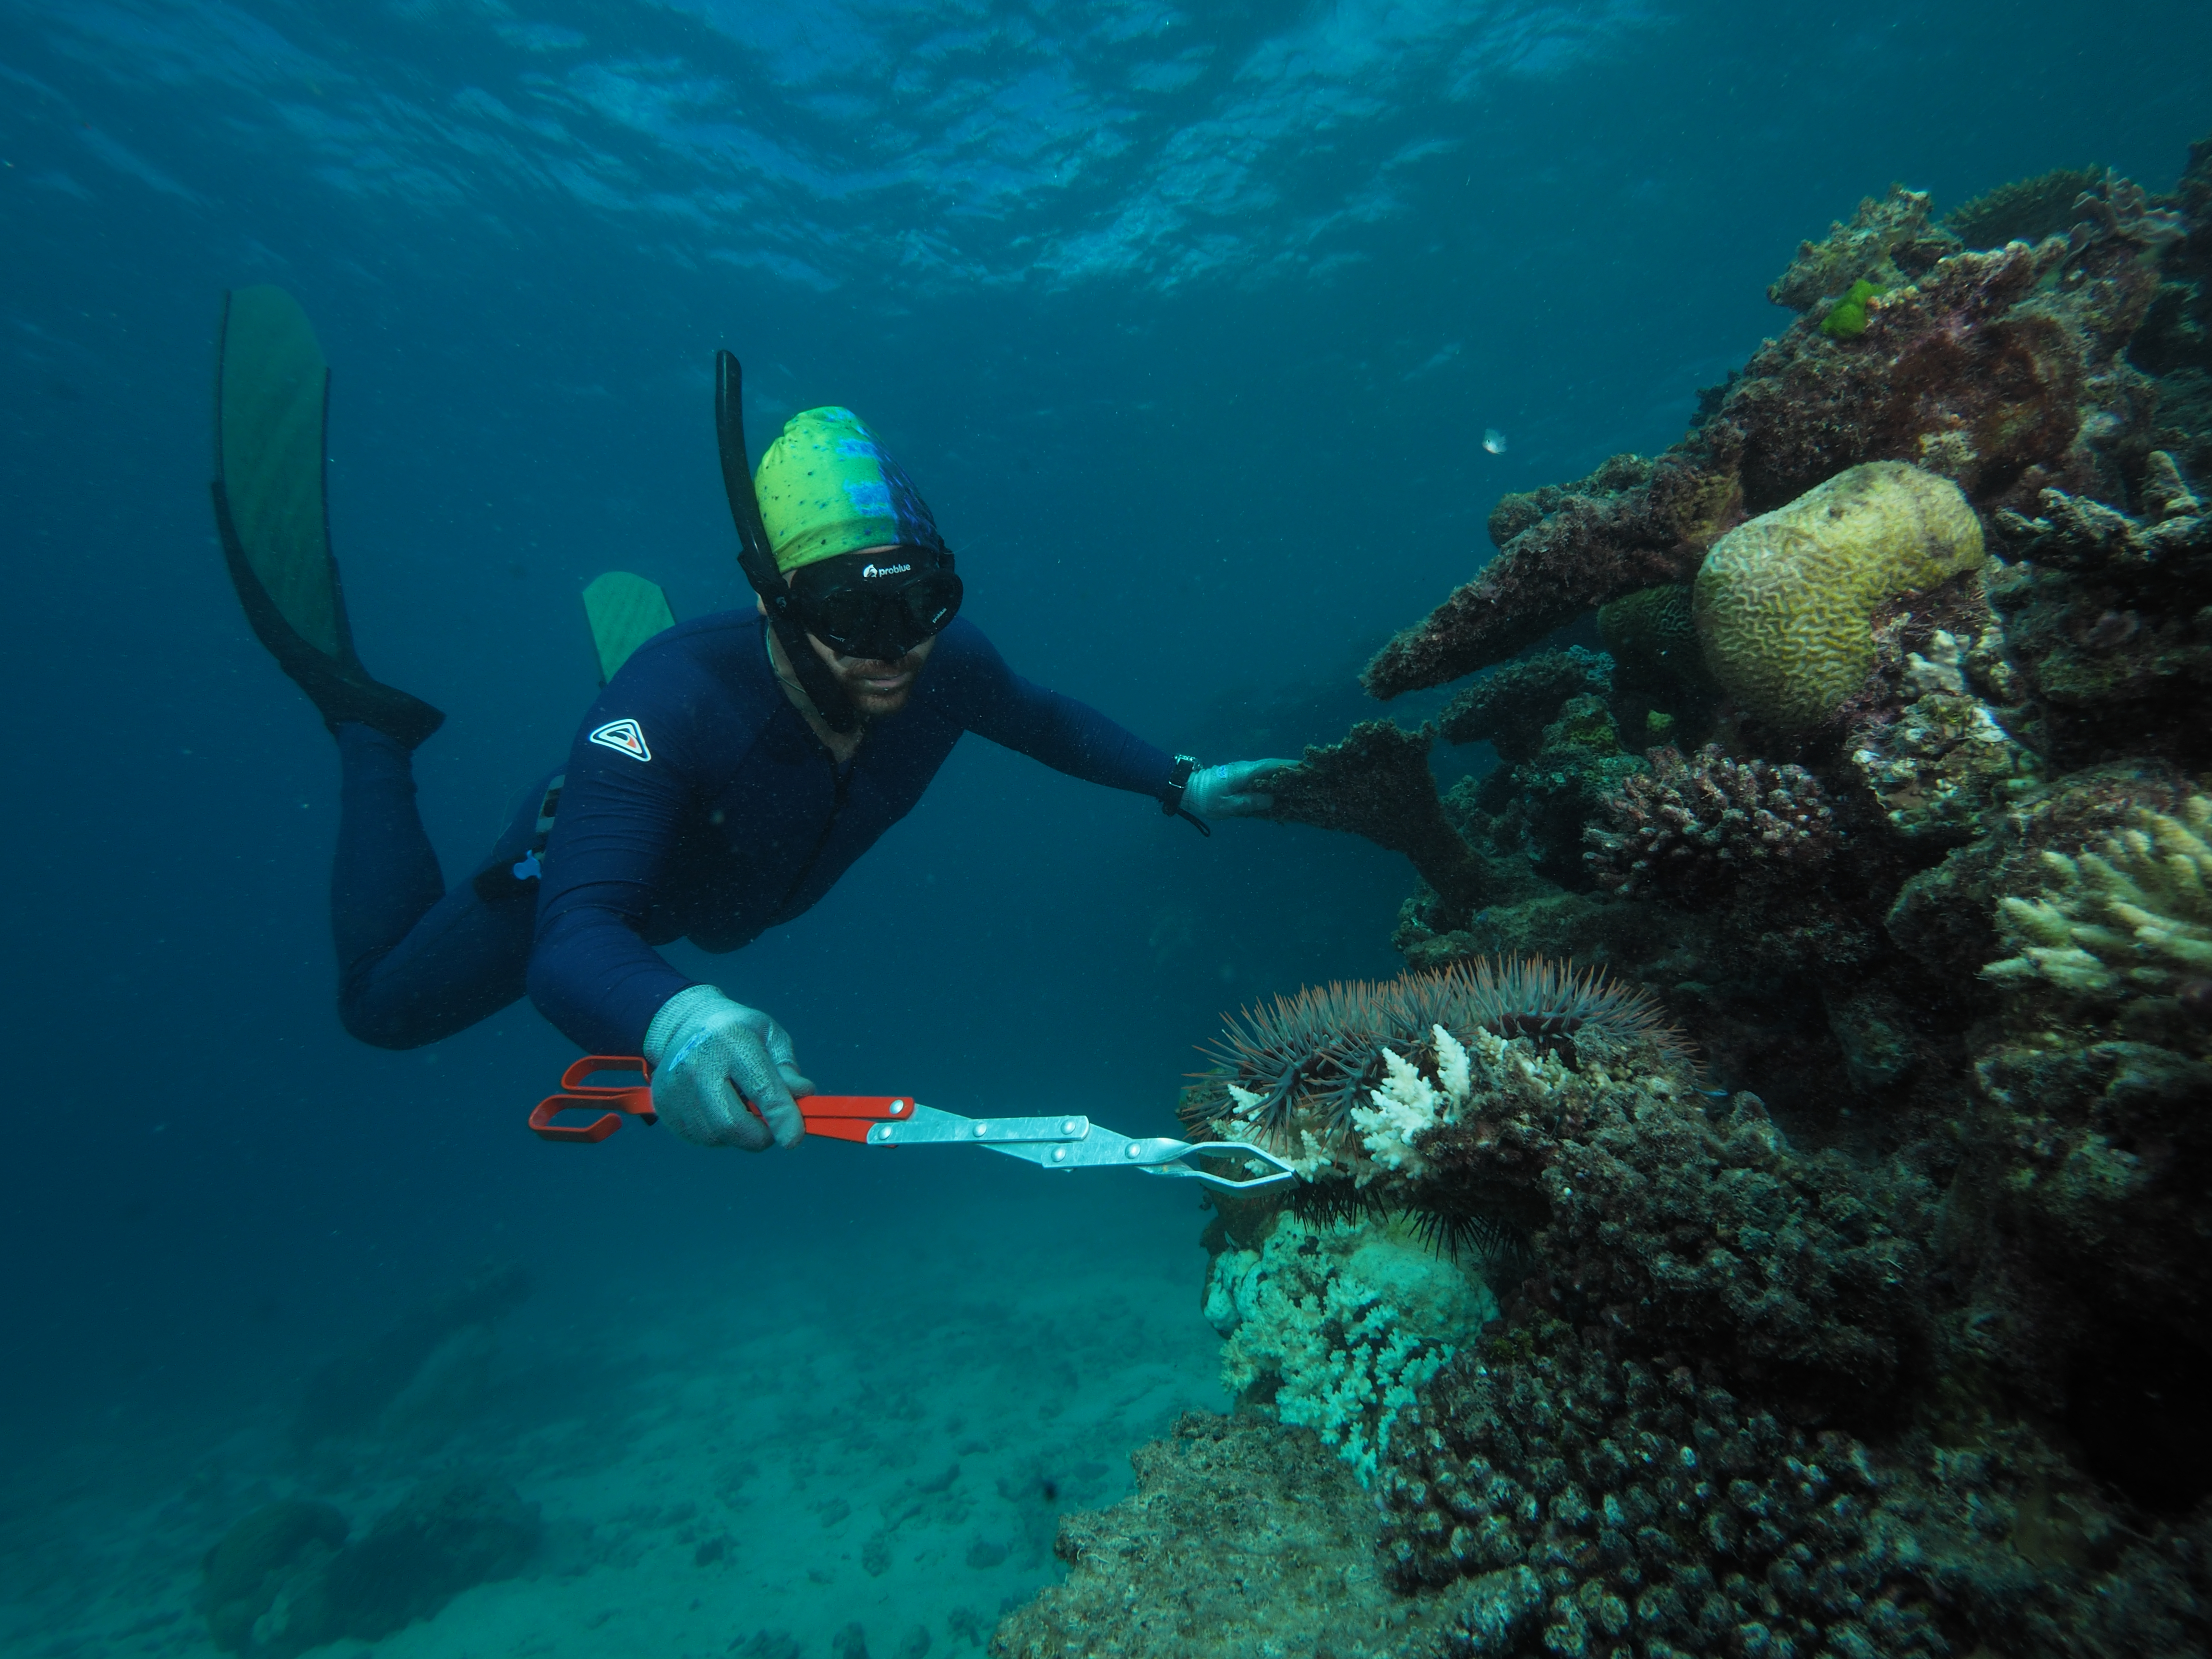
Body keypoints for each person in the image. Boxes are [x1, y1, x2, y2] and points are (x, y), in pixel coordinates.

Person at [210, 287, 1290, 1152]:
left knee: (724, 872)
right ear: (776, 600)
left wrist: (1179, 782)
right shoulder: (665, 703)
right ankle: (367, 729)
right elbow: (576, 937)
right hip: (610, 868)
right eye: (843, 611)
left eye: (919, 602)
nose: (890, 647)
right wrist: (675, 1022)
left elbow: (1043, 720)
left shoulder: (947, 667)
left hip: (728, 884)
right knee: (382, 1012)